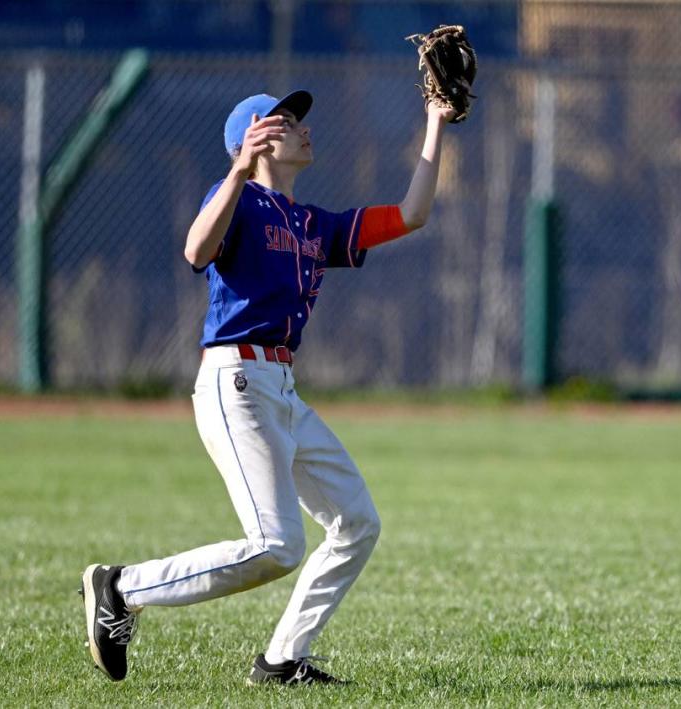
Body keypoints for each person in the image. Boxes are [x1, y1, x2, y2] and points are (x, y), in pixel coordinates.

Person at [81, 89, 455, 685]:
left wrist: (435, 122)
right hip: (236, 382)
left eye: (301, 119)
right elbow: (196, 249)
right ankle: (122, 587)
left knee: (357, 523)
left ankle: (282, 659)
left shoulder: (311, 224)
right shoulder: (239, 200)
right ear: (254, 140)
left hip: (282, 389)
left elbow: (412, 214)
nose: (304, 128)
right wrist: (234, 173)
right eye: (287, 121)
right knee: (277, 546)